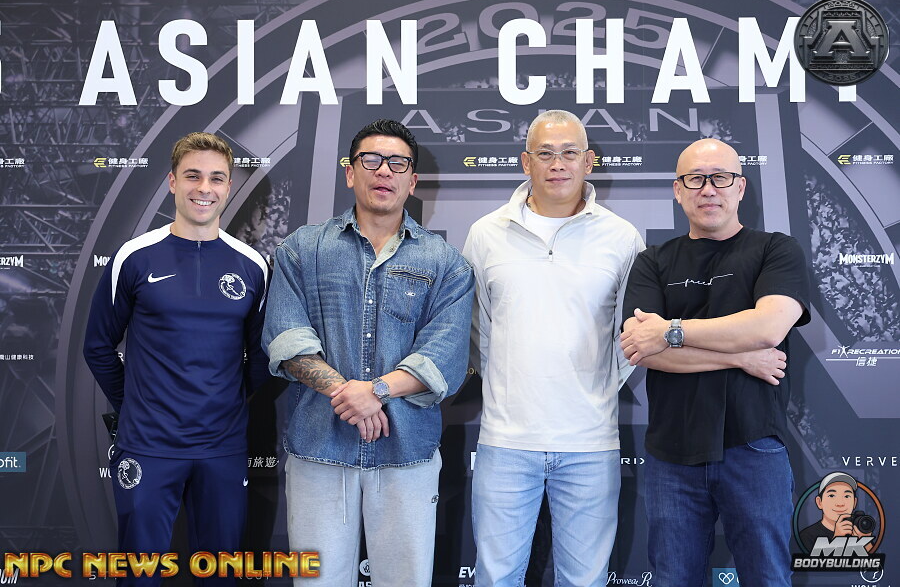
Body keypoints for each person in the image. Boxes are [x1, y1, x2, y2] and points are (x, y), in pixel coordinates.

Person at [262, 119, 474, 587]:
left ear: (412, 180)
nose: (384, 171)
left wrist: (374, 391)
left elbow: (445, 355)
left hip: (407, 453)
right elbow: (286, 340)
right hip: (319, 449)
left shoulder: (446, 263)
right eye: (371, 160)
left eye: (397, 163)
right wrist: (352, 395)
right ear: (350, 173)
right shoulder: (303, 249)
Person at [463, 109, 644, 587]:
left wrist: (595, 386)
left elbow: (631, 336)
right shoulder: (485, 233)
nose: (557, 164)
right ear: (526, 162)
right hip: (505, 442)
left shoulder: (622, 237)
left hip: (590, 443)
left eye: (569, 153)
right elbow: (475, 329)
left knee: (584, 581)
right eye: (545, 153)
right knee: (495, 579)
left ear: (589, 161)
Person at [620, 138, 811, 586]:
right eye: (695, 179)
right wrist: (742, 356)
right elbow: (644, 350)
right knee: (673, 579)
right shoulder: (652, 262)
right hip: (672, 454)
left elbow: (768, 328)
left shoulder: (776, 250)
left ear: (740, 187)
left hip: (754, 445)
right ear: (678, 190)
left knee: (767, 577)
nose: (708, 189)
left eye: (720, 178)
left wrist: (671, 331)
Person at [84, 132, 269, 584]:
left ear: (229, 187)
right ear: (172, 182)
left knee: (221, 573)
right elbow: (98, 345)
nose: (204, 188)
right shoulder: (134, 257)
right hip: (148, 445)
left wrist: (226, 401)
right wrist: (135, 404)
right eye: (192, 176)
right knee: (139, 574)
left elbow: (262, 356)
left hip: (222, 447)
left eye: (216, 178)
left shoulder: (253, 265)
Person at [799, 472, 875, 552]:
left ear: (854, 503)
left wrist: (865, 541)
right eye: (832, 495)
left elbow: (875, 559)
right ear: (819, 502)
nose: (840, 503)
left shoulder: (858, 531)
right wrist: (837, 539)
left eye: (847, 496)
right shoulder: (807, 536)